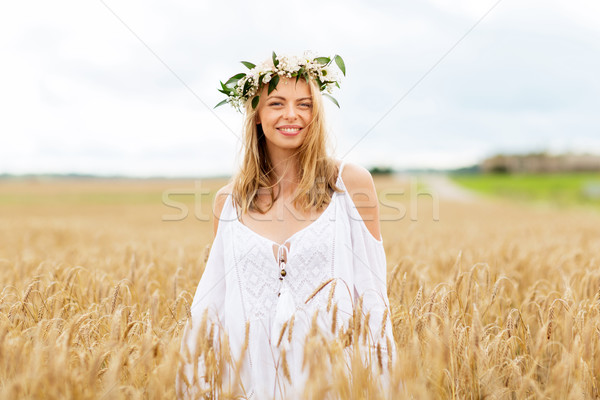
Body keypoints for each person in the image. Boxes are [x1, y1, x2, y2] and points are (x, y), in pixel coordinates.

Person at [177, 51, 395, 399]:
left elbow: (373, 298)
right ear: (257, 116)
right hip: (252, 383)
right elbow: (213, 307)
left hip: (333, 381)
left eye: (305, 105)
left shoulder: (350, 185)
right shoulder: (227, 204)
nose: (291, 115)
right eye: (277, 103)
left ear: (316, 114)